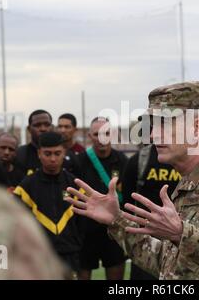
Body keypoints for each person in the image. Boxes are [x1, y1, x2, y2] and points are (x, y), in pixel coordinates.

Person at [65, 81, 199, 280]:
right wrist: (116, 220)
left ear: (196, 127)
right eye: (153, 125)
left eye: (165, 124)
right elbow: (168, 264)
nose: (153, 134)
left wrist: (181, 234)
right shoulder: (190, 184)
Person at [13, 132, 85, 273]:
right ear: (39, 153)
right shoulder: (26, 186)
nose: (53, 159)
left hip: (69, 255)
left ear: (64, 152)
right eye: (47, 154)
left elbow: (83, 222)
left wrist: (76, 243)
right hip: (38, 255)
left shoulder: (75, 185)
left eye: (57, 153)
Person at [73, 116, 128, 280]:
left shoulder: (123, 161)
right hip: (85, 232)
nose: (101, 138)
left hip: (114, 231)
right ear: (89, 136)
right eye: (96, 134)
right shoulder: (78, 161)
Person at [121, 143, 181, 280]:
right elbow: (127, 202)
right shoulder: (138, 160)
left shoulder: (186, 158)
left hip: (180, 241)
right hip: (146, 242)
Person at [17, 110, 80, 176]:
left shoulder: (69, 157)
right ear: (29, 129)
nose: (43, 129)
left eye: (47, 125)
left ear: (52, 127)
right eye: (37, 125)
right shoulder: (20, 154)